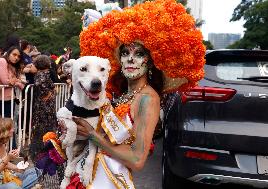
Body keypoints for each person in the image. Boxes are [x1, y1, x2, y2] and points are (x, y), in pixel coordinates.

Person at [64, 0, 206, 188]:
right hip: (91, 170)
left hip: (110, 180)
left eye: (139, 53)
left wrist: (92, 135)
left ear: (150, 61)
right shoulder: (124, 94)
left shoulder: (148, 99)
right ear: (119, 59)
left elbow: (138, 159)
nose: (130, 58)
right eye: (125, 52)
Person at [0, 118, 40, 189]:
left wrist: (17, 168)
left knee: (36, 172)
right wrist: (8, 158)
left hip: (7, 178)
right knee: (12, 186)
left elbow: (4, 164)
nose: (13, 130)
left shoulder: (2, 145)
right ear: (2, 131)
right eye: (10, 128)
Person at [29, 55, 58, 162]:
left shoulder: (41, 75)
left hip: (44, 108)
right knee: (43, 130)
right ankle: (39, 154)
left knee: (42, 130)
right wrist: (48, 93)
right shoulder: (42, 75)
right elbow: (41, 86)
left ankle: (41, 153)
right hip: (44, 109)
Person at [0, 46, 25, 119]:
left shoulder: (12, 65)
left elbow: (18, 80)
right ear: (8, 53)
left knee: (7, 126)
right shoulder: (2, 61)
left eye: (19, 56)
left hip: (9, 99)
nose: (16, 58)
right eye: (14, 54)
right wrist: (18, 83)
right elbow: (5, 81)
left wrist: (16, 81)